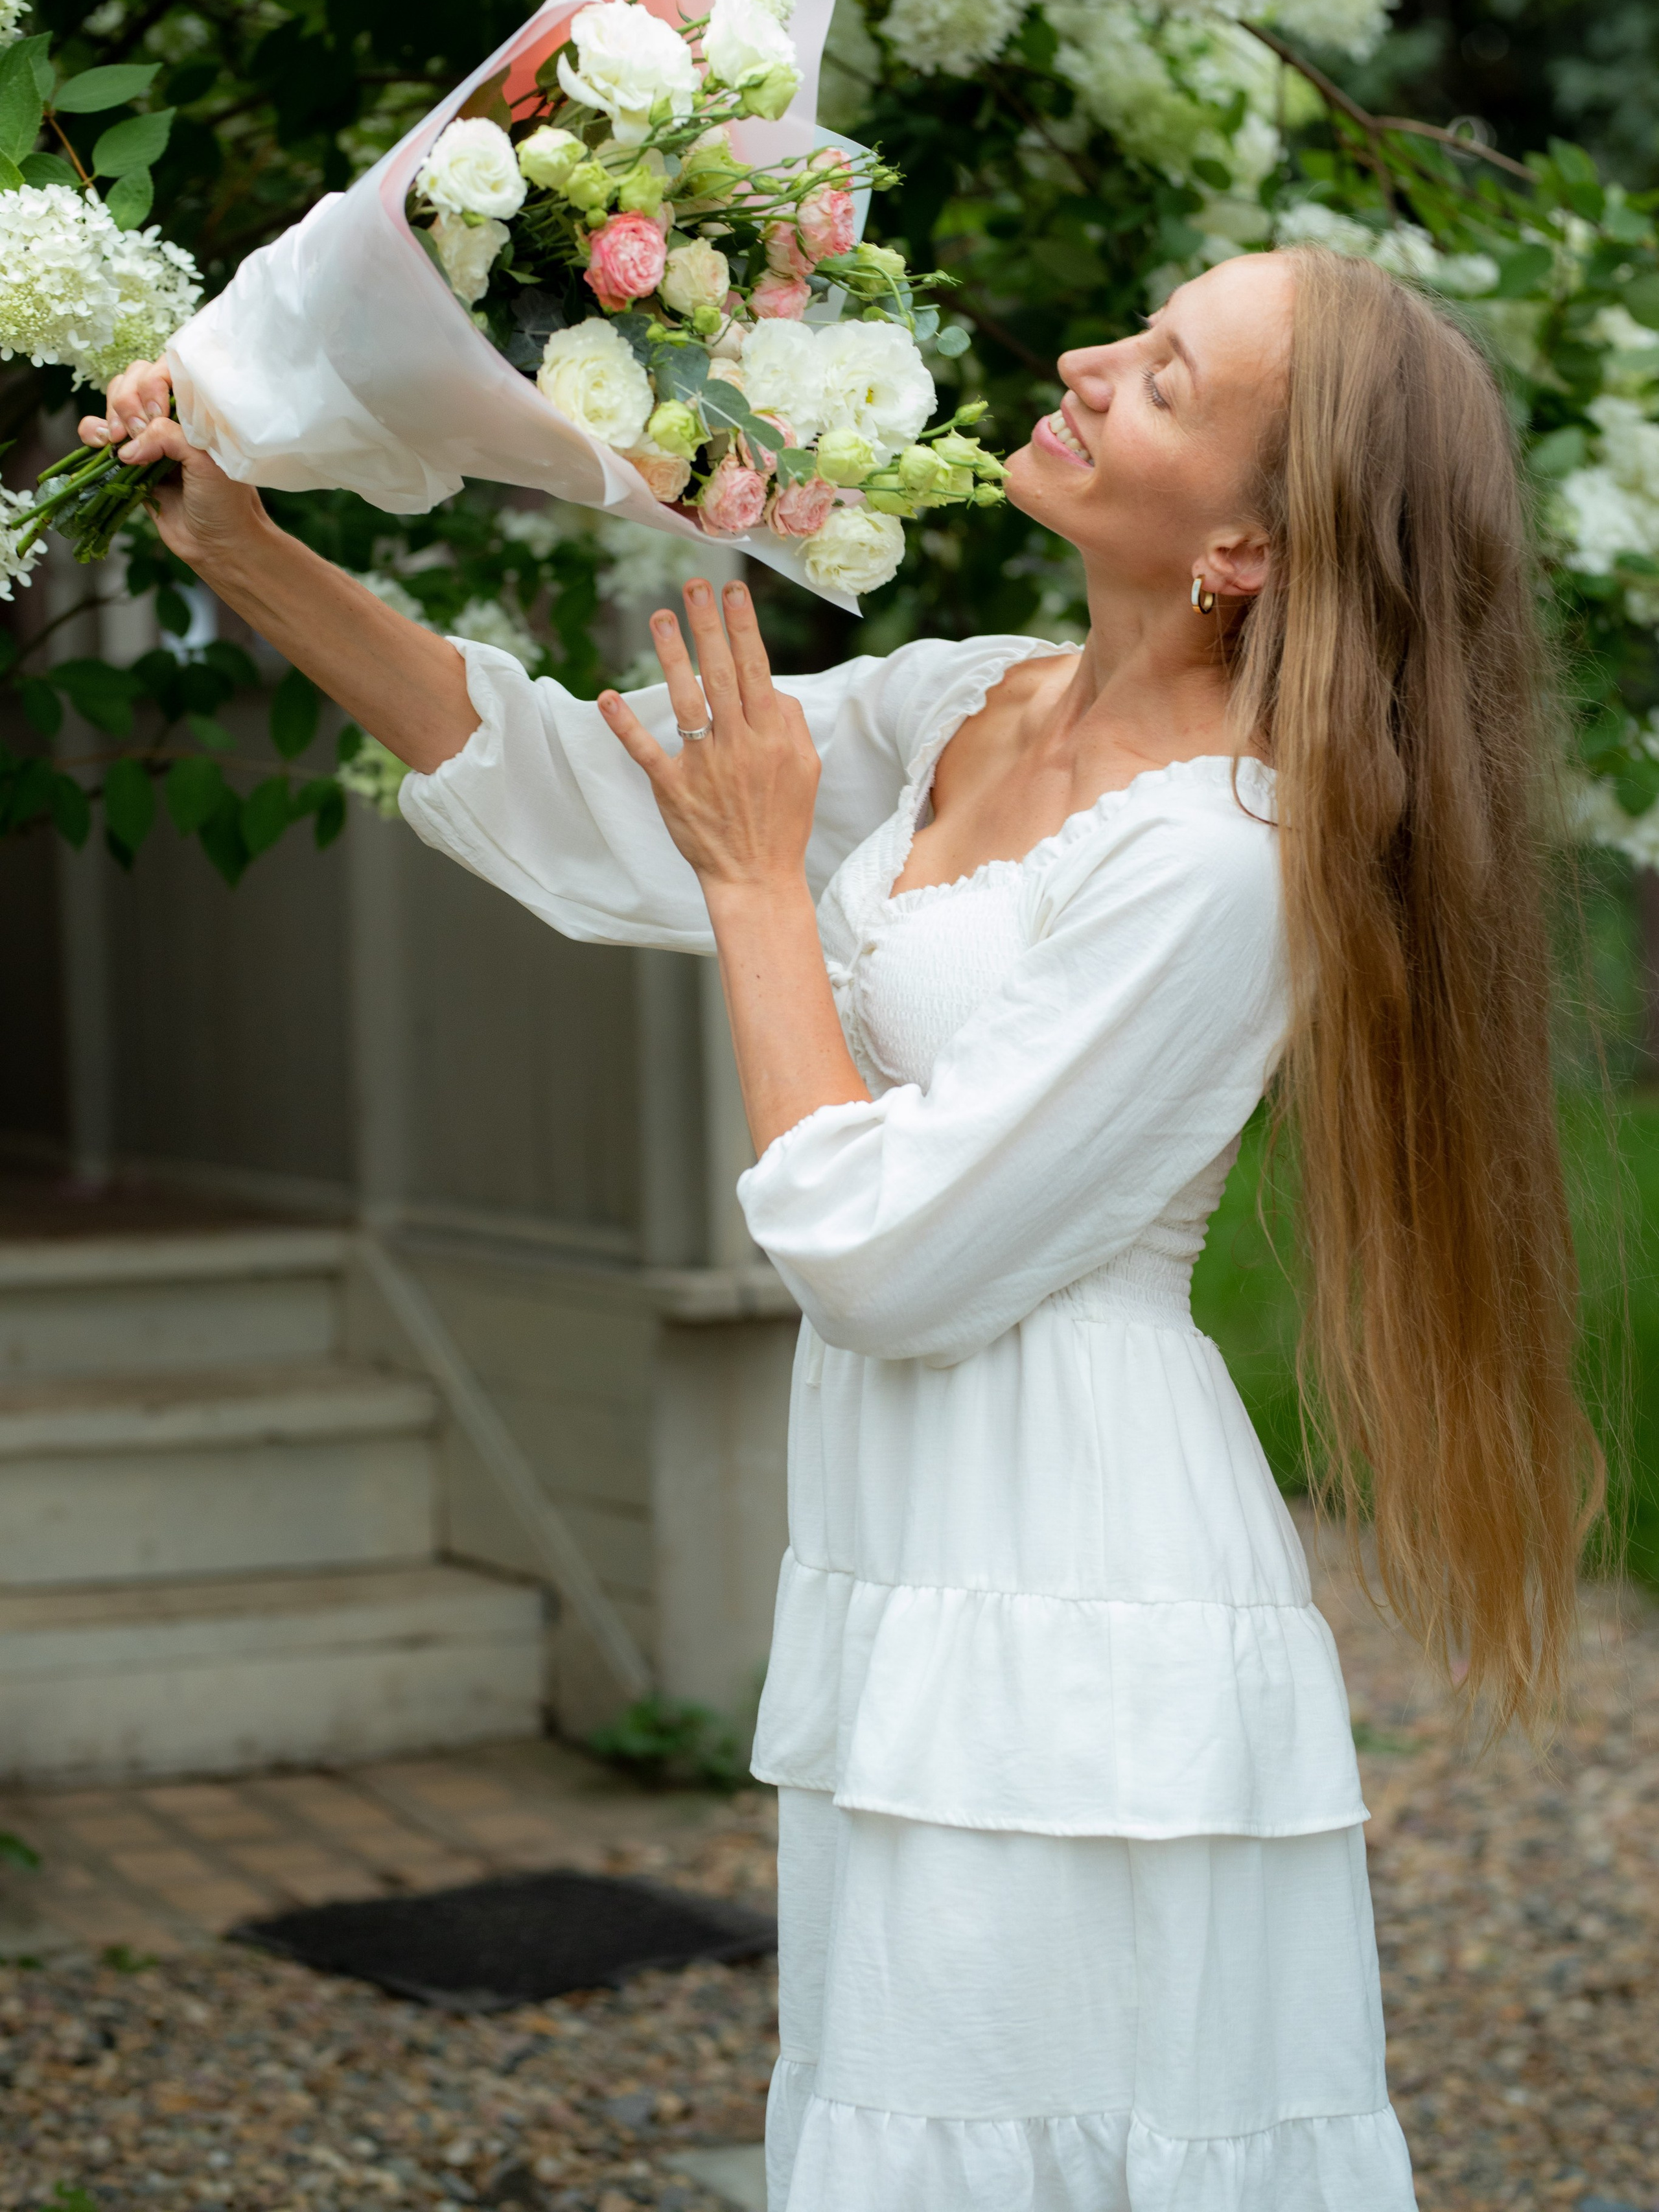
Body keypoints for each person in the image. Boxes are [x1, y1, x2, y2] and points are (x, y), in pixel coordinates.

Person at [89, 244, 1594, 2211]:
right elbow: (596, 796)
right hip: (922, 1533)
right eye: (1130, 326)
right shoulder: (982, 700)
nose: (1082, 359)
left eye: (1160, 376)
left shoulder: (1225, 860)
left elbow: (884, 1258)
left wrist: (761, 892)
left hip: (1077, 1570)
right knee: (916, 2097)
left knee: (1052, 2116)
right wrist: (248, 548)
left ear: (1244, 544)